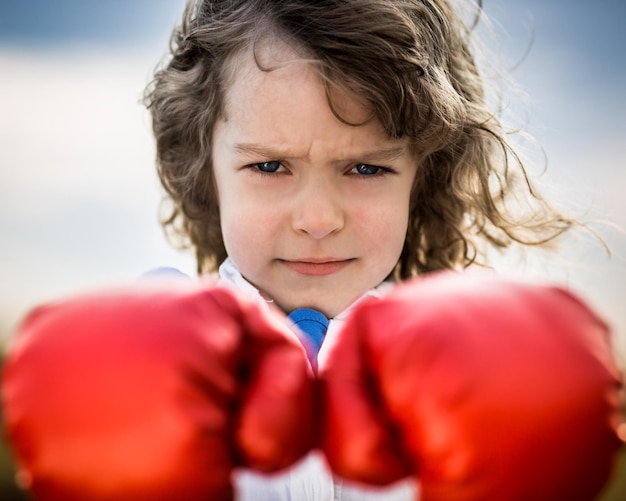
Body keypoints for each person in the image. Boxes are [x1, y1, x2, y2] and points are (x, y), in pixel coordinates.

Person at [1, 1, 623, 500]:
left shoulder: (481, 357)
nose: (320, 219)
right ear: (205, 170)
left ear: (422, 177)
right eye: (270, 166)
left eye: (366, 168)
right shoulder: (148, 333)